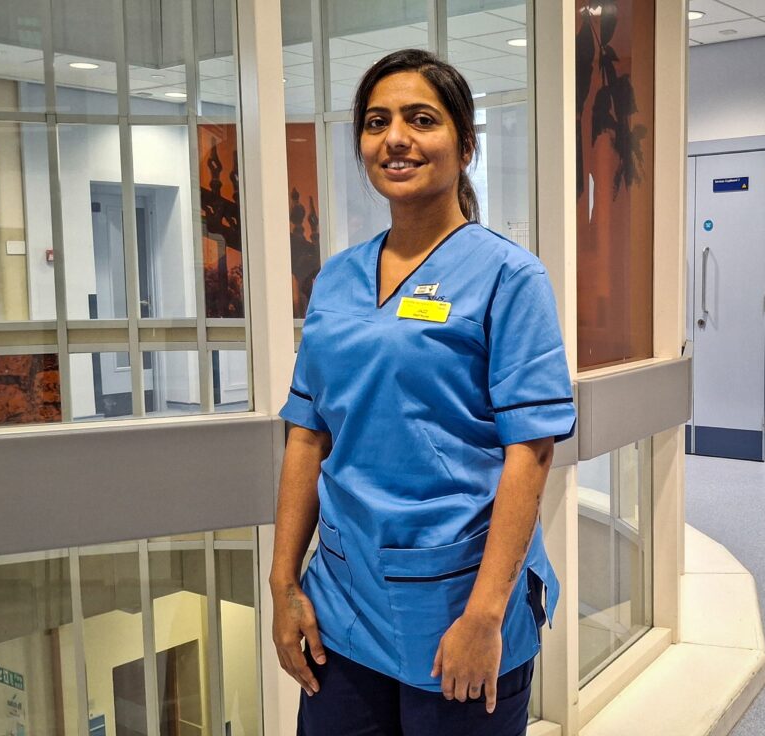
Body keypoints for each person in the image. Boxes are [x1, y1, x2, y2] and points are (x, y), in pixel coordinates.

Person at [271, 48, 576, 736]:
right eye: (377, 122)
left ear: (465, 145)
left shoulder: (509, 277)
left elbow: (530, 453)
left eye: (421, 119)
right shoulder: (336, 280)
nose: (396, 138)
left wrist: (485, 615)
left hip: (456, 604)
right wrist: (283, 584)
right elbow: (306, 433)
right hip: (342, 601)